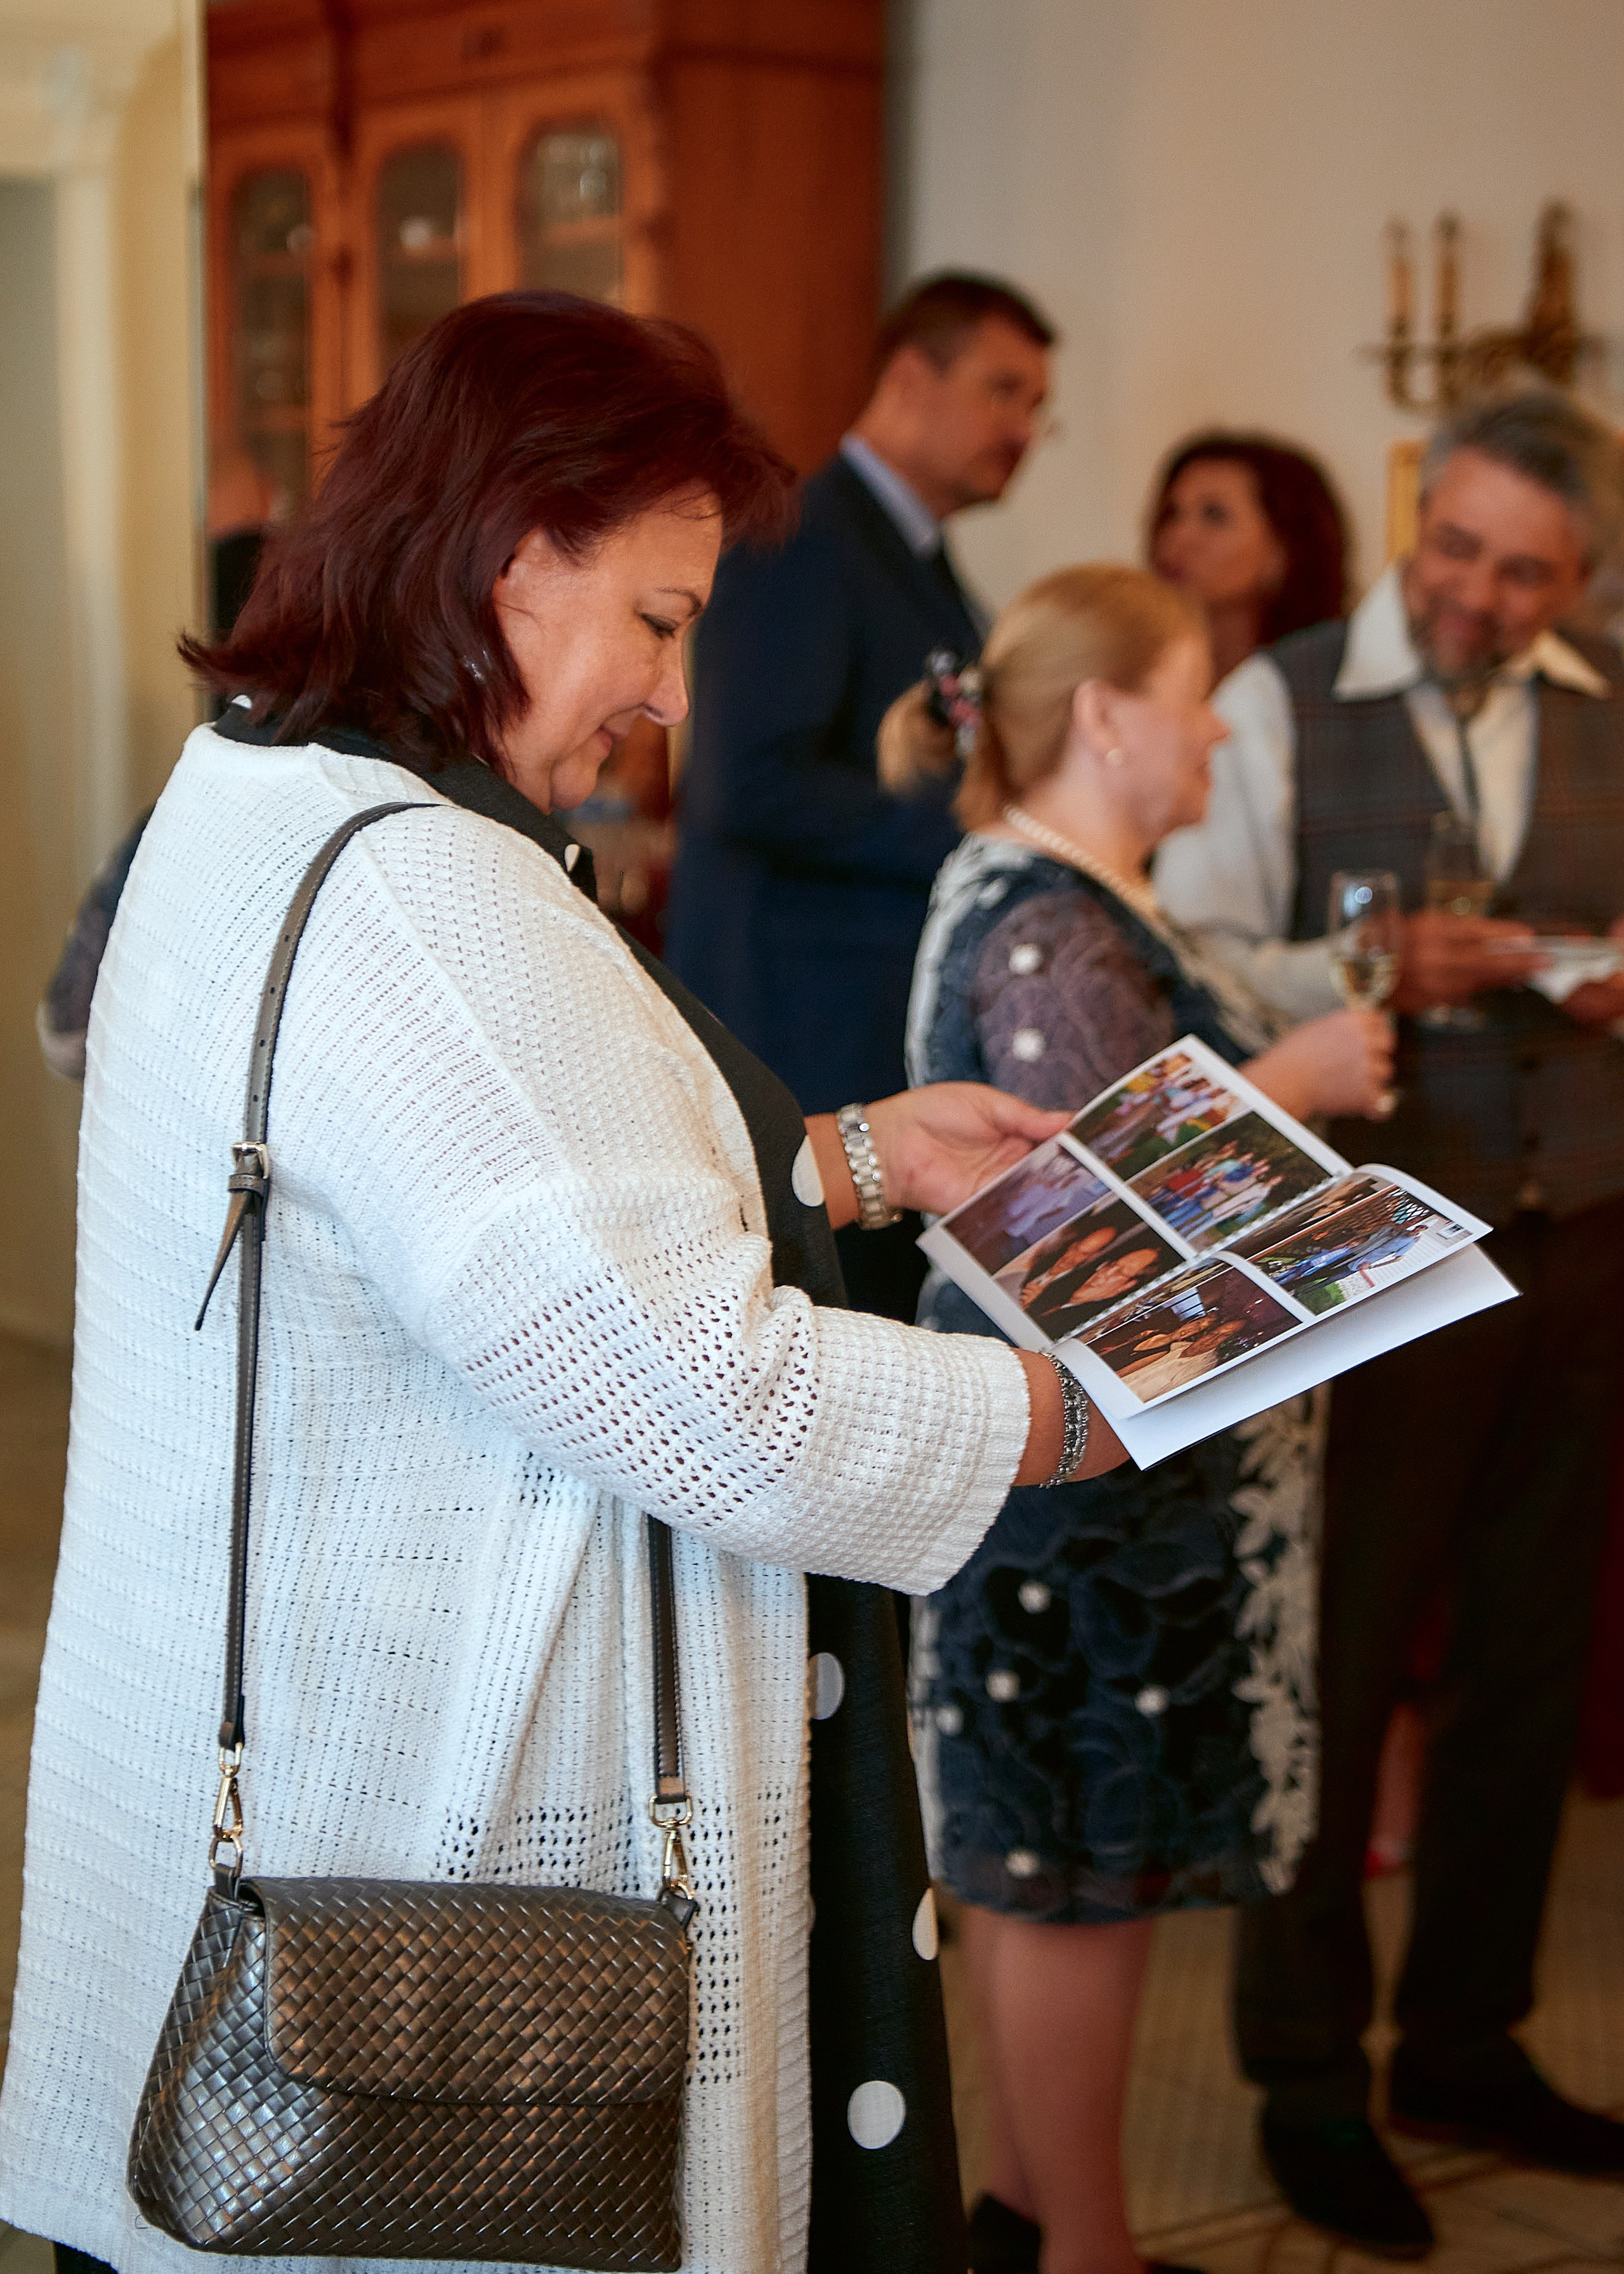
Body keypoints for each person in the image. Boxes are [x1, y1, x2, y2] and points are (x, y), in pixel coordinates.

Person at [0, 292, 1132, 2274]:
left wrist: (842, 1159)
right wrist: (1069, 1407)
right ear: (512, 557)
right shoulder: (432, 893)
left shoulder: (261, 782)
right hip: (425, 1858)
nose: (669, 698)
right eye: (661, 621)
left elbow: (478, 1207)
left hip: (231, 1770)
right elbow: (711, 1393)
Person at [1155, 388, 1624, 2256]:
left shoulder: (1605, 700)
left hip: (1581, 1235)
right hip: (1368, 1248)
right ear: (1417, 518)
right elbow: (1183, 953)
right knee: (1328, 1667)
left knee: (1521, 1665)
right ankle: (1300, 2073)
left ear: (1573, 577)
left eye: (1523, 574)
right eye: (1455, 550)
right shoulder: (1278, 700)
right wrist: (1360, 969)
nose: (1474, 595)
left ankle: (1463, 2039)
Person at [882, 565, 1393, 2274]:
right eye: (1195, 692)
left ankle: (1037, 2222)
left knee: (1068, 1877)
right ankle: (1083, 2251)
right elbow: (1111, 1235)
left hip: (1091, 1501)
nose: (1223, 725)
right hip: (1078, 1512)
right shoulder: (1055, 926)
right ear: (1107, 716)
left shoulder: (1074, 900)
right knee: (1069, 1883)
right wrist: (1300, 1094)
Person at [667, 271, 1056, 1321]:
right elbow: (747, 786)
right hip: (799, 1040)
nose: (1022, 426)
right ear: (908, 376)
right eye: (1002, 390)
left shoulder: (911, 558)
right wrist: (970, 837)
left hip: (866, 1044)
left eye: (1036, 407)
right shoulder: (802, 533)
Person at [1148, 430, 1349, 683]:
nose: (1178, 536)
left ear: (1285, 551)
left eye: (1214, 516)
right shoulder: (1127, 676)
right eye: (1171, 513)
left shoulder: (1323, 690)